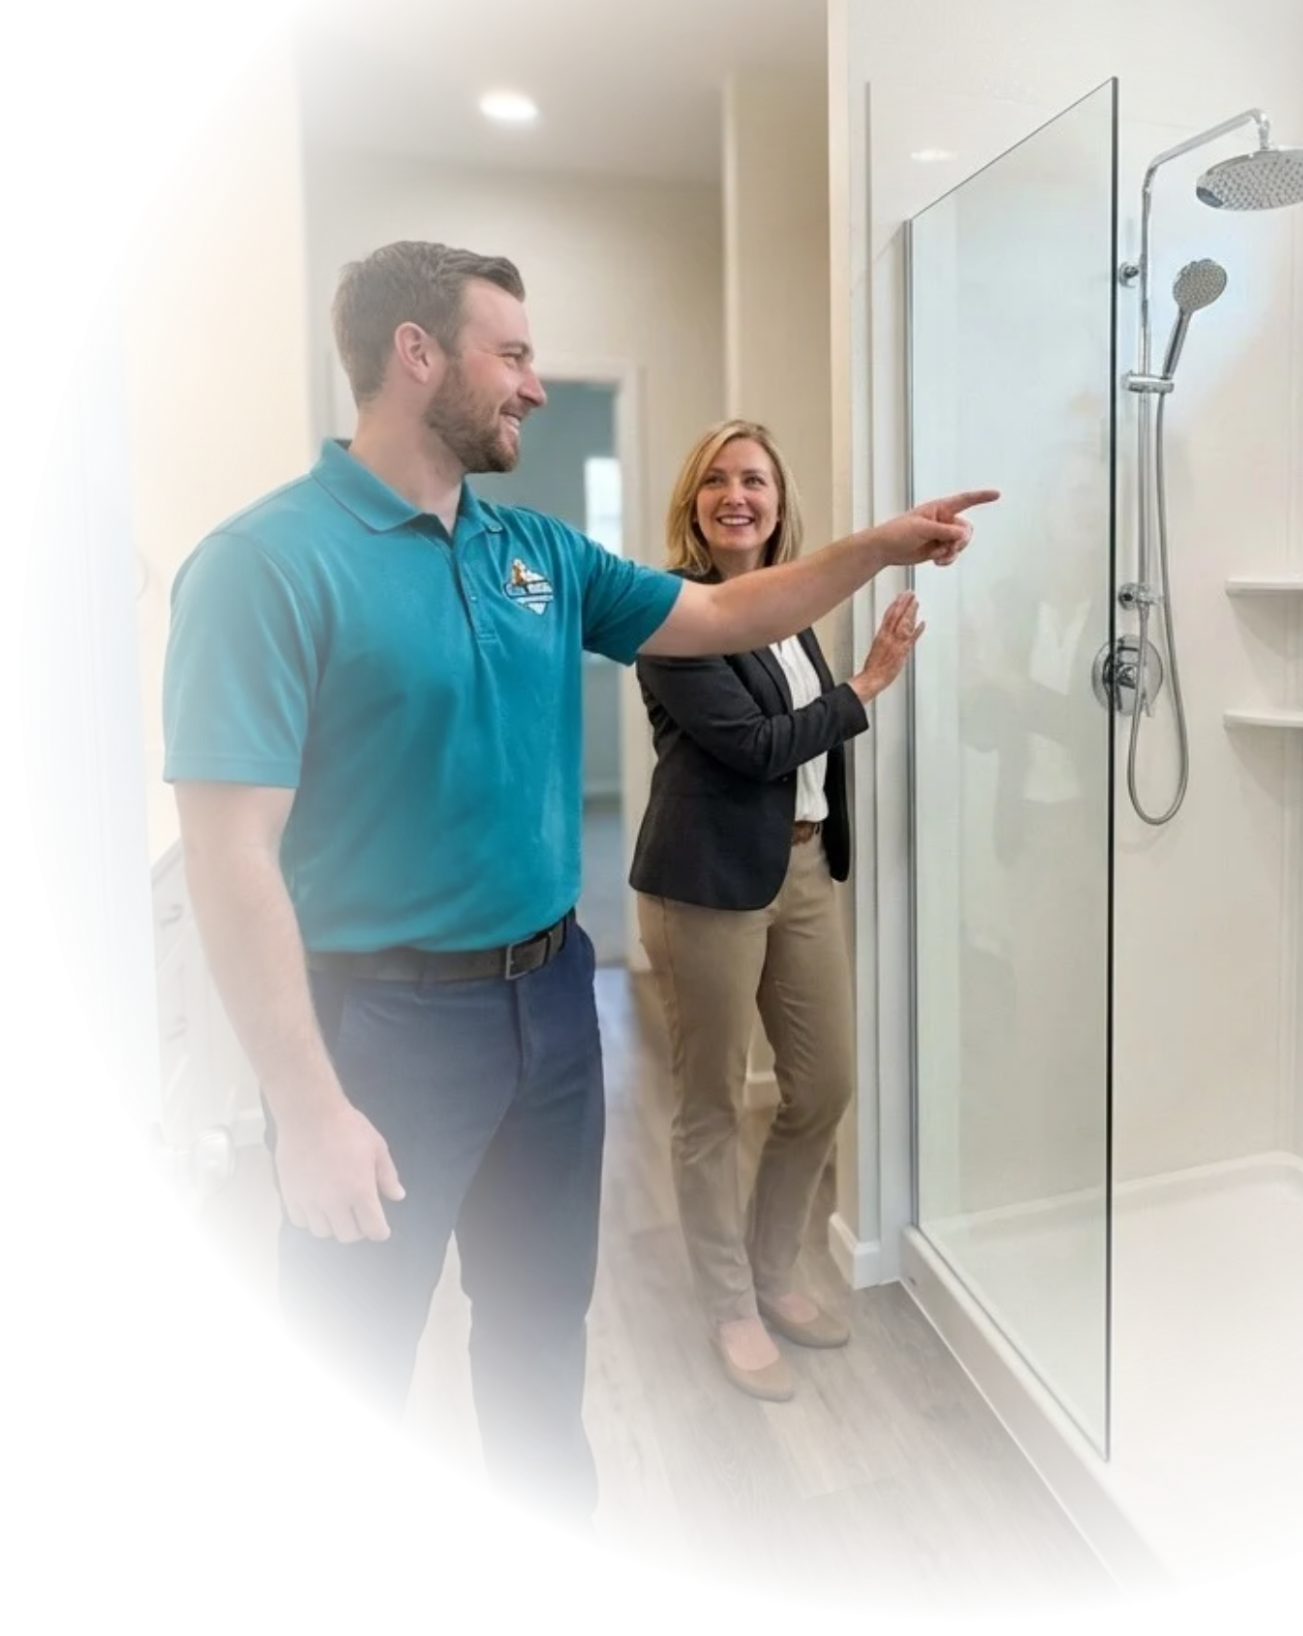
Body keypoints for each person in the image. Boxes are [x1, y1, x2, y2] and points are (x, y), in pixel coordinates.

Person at [159, 241, 995, 1545]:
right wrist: (307, 1109)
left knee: (543, 1324)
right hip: (384, 1029)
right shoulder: (264, 565)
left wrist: (879, 547)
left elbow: (730, 615)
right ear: (417, 355)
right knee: (358, 1353)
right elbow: (229, 857)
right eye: (512, 354)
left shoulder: (536, 550)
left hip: (553, 999)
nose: (535, 386)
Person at [629, 420, 922, 1402]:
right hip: (704, 884)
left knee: (825, 1085)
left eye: (754, 479)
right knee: (712, 1106)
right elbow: (757, 746)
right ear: (693, 501)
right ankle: (729, 1305)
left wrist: (845, 703)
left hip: (800, 871)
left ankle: (773, 1270)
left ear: (778, 499)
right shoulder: (673, 614)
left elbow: (802, 746)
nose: (737, 496)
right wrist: (867, 685)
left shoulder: (790, 610)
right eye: (716, 480)